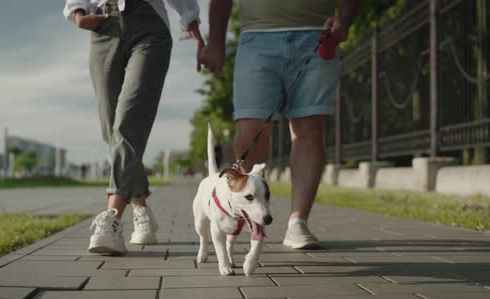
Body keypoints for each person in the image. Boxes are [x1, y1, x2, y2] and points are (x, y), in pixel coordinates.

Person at [201, 0, 362, 249]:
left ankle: (298, 223)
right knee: (250, 129)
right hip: (256, 37)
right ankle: (250, 211)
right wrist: (215, 42)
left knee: (309, 128)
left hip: (318, 33)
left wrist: (345, 18)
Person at [63, 0, 204, 254]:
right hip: (102, 26)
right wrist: (78, 14)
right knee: (110, 129)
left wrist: (197, 38)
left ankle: (112, 219)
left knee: (128, 122)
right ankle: (140, 207)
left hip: (149, 26)